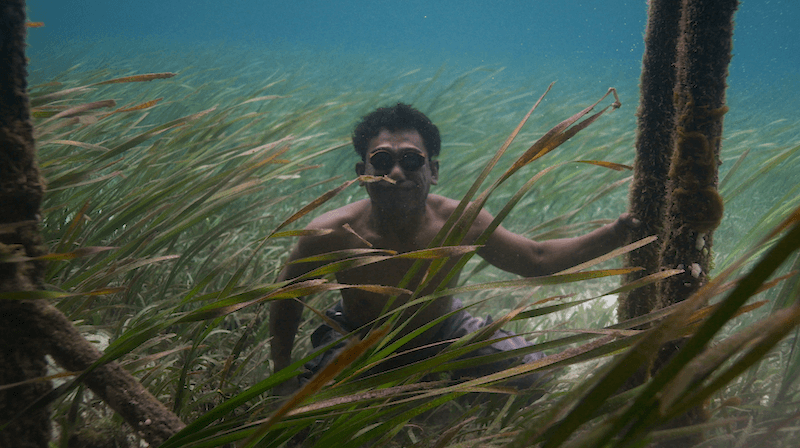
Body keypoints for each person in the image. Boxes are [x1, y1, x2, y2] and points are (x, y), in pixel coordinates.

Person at [270, 103, 638, 395]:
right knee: (311, 420)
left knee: (535, 380)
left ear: (433, 171)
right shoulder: (330, 232)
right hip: (357, 335)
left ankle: (445, 392)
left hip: (443, 331)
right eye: (382, 160)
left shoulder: (461, 222)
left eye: (411, 160)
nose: (396, 172)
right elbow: (285, 297)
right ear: (360, 170)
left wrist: (616, 232)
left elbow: (537, 259)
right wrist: (281, 378)